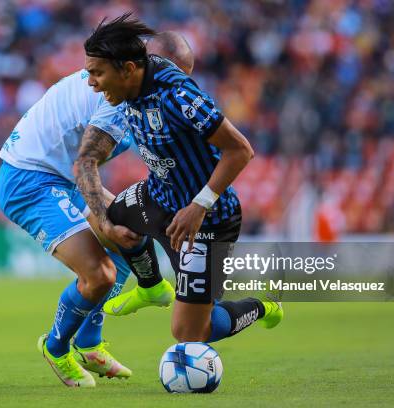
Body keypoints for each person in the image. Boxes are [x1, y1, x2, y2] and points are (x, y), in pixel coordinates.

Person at [0, 31, 194, 387]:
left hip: (60, 177)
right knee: (100, 273)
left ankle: (89, 344)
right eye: (173, 76)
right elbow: (84, 164)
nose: (178, 88)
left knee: (126, 234)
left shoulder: (136, 91)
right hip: (30, 180)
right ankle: (55, 346)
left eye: (184, 79)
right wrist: (105, 220)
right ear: (145, 67)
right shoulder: (115, 98)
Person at [77, 14, 283, 344]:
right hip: (159, 198)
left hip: (207, 219)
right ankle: (151, 286)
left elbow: (240, 150)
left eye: (97, 73)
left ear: (129, 69)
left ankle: (262, 305)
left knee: (192, 332)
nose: (91, 82)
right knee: (109, 220)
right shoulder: (131, 79)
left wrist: (199, 206)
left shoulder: (178, 97)